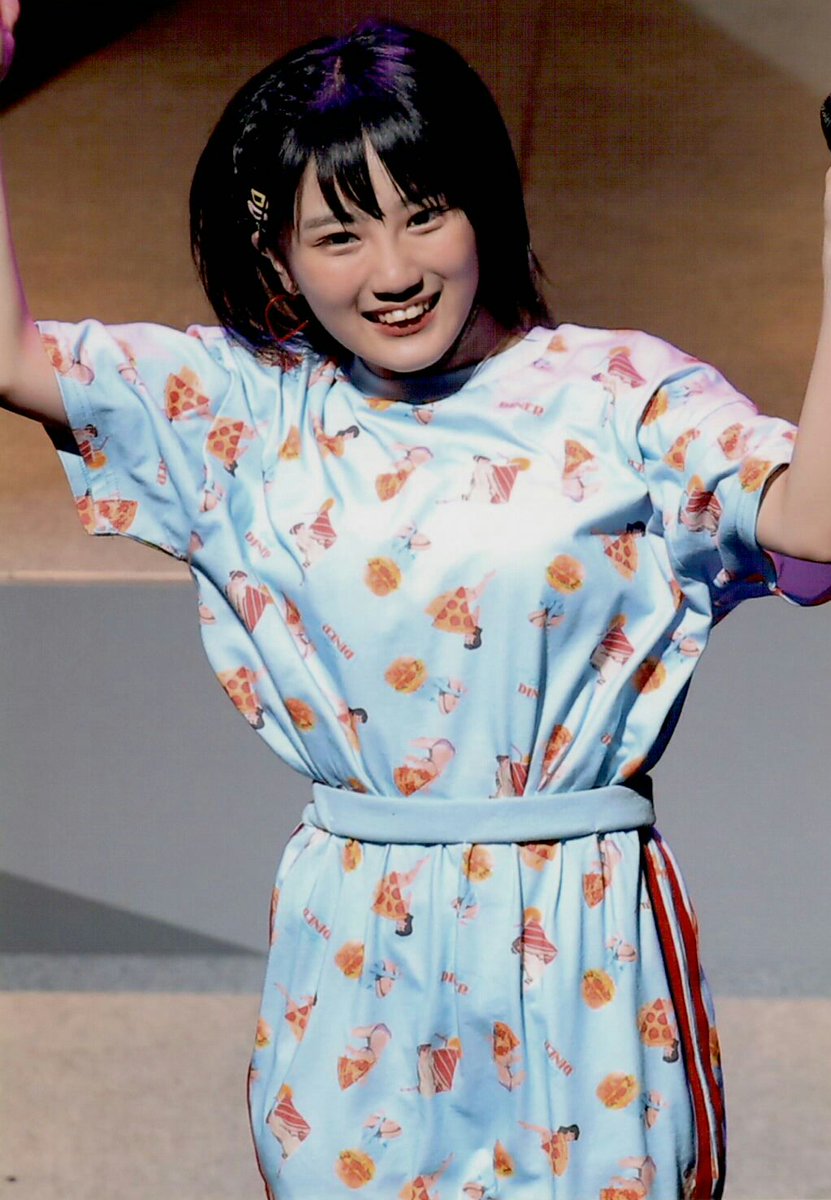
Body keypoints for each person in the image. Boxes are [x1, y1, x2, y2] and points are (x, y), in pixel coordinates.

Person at [1, 10, 830, 1200]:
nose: (392, 273)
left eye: (425, 214)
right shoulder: (245, 405)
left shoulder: (621, 395)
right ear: (278, 258)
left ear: (485, 205)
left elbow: (813, 523)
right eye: (339, 235)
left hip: (580, 933)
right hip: (360, 946)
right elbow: (13, 357)